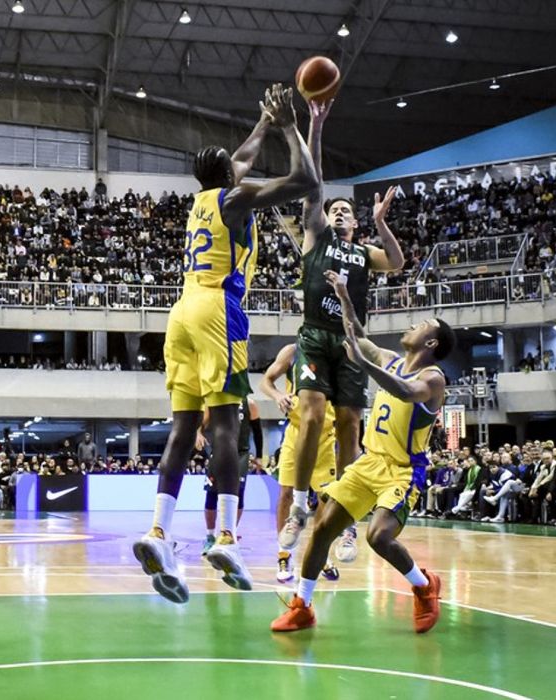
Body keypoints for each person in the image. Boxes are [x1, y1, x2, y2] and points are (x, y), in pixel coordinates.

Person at [133, 83, 319, 603]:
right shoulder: (237, 197)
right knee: (227, 428)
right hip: (219, 308)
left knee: (182, 428)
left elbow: (240, 156)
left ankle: (158, 533)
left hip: (182, 312)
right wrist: (287, 125)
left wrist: (261, 122)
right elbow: (306, 179)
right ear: (230, 177)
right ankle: (228, 538)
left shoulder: (201, 200)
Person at [271, 271, 454, 634]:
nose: (413, 325)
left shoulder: (434, 379)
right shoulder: (388, 357)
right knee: (323, 529)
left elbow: (405, 390)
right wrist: (342, 294)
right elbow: (355, 331)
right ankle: (302, 605)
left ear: (430, 342)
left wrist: (362, 362)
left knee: (378, 536)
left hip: (403, 470)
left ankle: (423, 586)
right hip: (368, 462)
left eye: (421, 324)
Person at [278, 96, 405, 552]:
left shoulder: (364, 252)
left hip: (351, 342)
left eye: (345, 212)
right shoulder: (316, 236)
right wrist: (315, 126)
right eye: (334, 210)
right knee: (311, 415)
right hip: (313, 335)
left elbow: (396, 260)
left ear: (354, 222)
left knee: (350, 422)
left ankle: (347, 519)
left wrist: (380, 221)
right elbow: (313, 183)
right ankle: (297, 505)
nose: (338, 213)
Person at [258, 343, 347, 584]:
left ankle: (321, 553)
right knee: (286, 493)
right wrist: (278, 395)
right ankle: (284, 554)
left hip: (326, 437)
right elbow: (266, 381)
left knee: (325, 499)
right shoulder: (292, 352)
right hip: (296, 432)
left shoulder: (339, 353)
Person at [197, 398, 263, 556]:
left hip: (241, 453)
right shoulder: (216, 400)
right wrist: (198, 433)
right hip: (218, 450)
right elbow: (202, 422)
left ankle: (229, 534)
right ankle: (210, 536)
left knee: (238, 494)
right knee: (211, 494)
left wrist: (259, 456)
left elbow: (257, 431)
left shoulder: (250, 404)